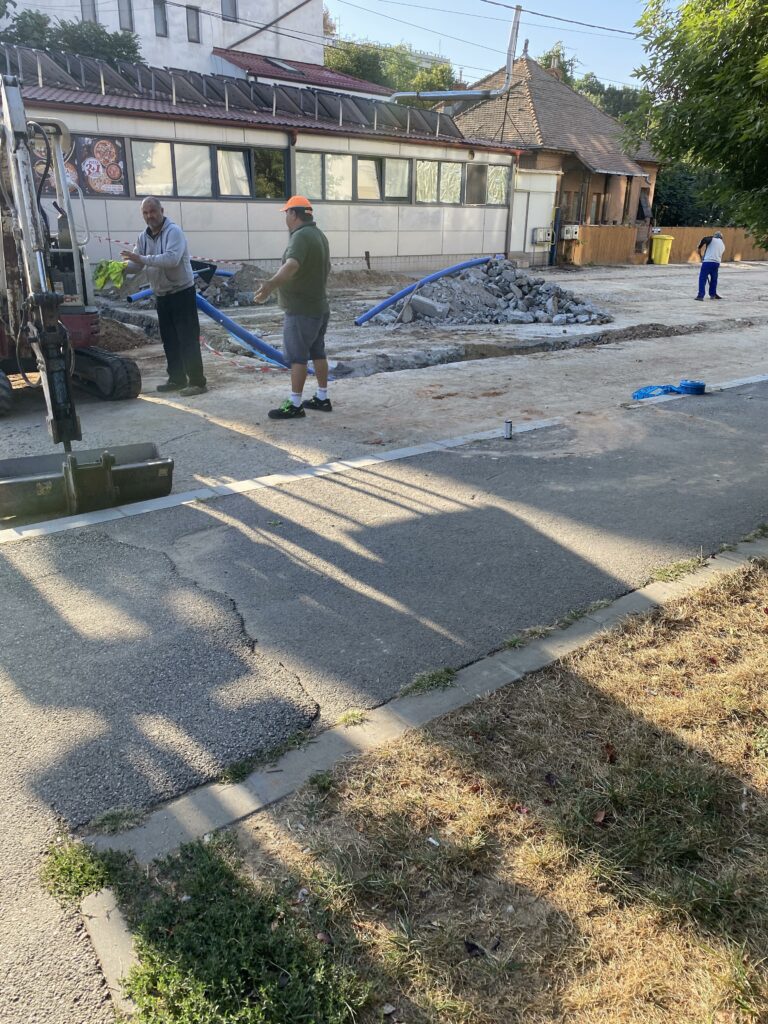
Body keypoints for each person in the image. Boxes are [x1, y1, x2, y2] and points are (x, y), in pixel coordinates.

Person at [254, 196, 331, 420]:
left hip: (301, 309)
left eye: (286, 213)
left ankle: (295, 404)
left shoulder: (300, 236)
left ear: (294, 214)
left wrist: (270, 285)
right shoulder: (319, 235)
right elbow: (326, 267)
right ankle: (322, 397)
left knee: (298, 357)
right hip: (319, 306)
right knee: (318, 352)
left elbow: (292, 264)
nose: (285, 218)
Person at [121, 198, 207, 396]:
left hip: (181, 293)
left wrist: (140, 258)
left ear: (161, 210)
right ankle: (176, 379)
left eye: (153, 211)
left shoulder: (174, 232)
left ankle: (198, 382)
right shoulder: (143, 237)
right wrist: (119, 268)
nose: (149, 216)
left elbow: (171, 259)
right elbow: (137, 265)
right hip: (161, 294)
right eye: (145, 213)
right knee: (170, 341)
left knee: (187, 340)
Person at [695, 230, 725, 301]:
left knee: (702, 278)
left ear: (715, 236)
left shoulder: (712, 239)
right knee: (714, 279)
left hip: (707, 262)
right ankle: (713, 294)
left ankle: (700, 295)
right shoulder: (723, 245)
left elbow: (704, 239)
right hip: (716, 263)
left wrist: (699, 247)